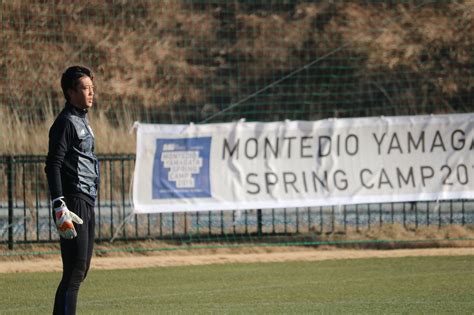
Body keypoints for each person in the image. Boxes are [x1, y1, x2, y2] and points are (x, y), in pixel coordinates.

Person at [45, 65, 100, 315]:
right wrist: (59, 204)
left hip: (86, 201)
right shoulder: (65, 122)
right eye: (84, 88)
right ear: (70, 92)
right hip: (73, 201)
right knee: (75, 272)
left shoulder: (82, 120)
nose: (91, 93)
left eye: (92, 88)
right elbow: (53, 164)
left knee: (80, 271)